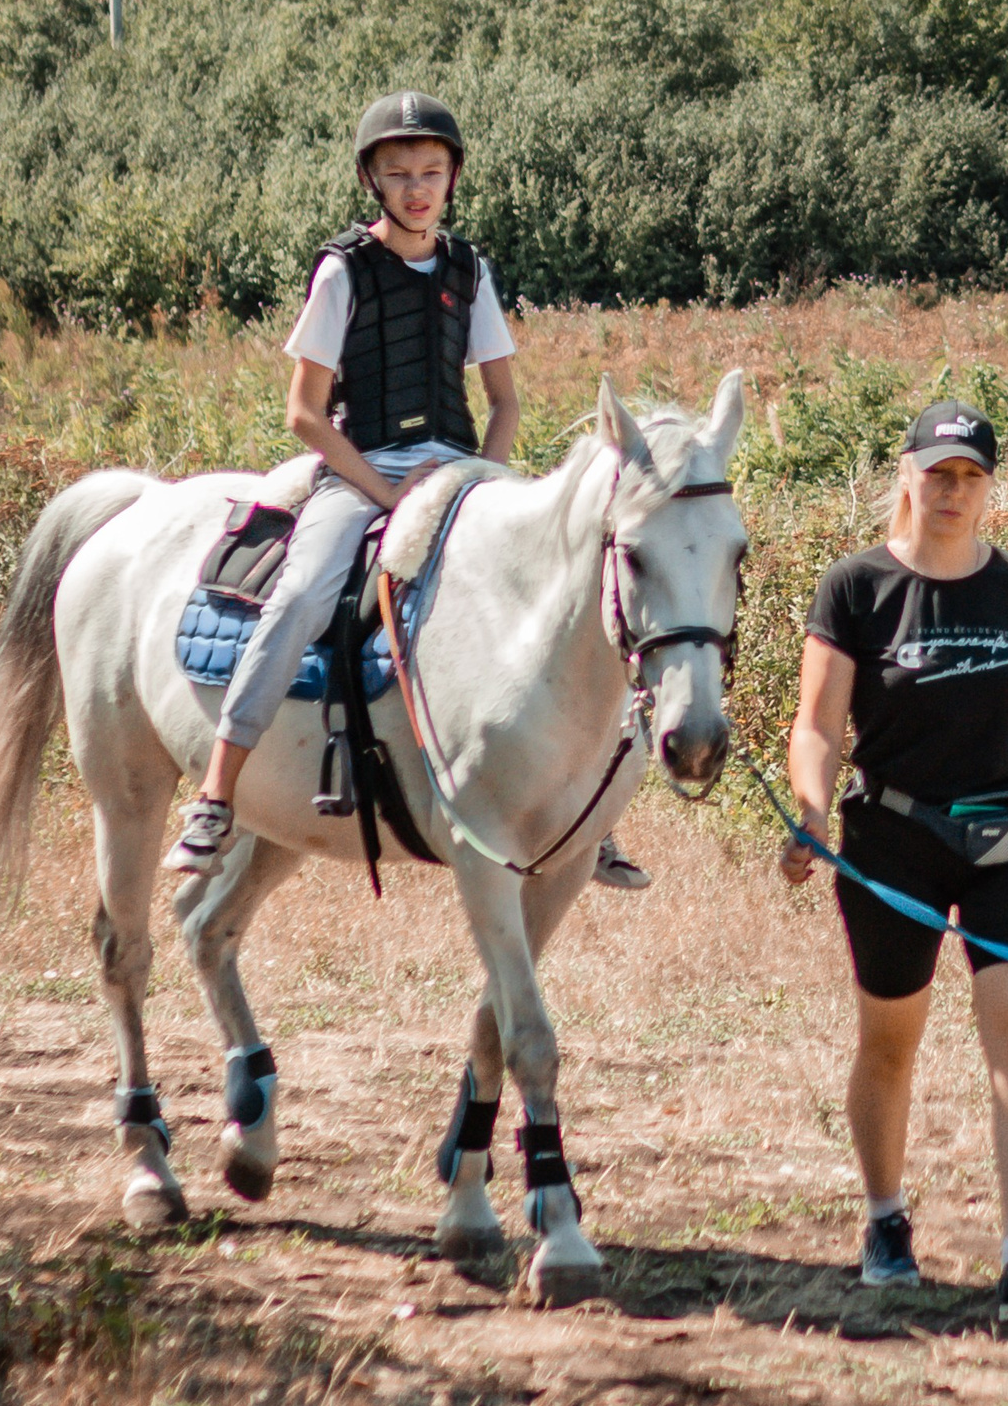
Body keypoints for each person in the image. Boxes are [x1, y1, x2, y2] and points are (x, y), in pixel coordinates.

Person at [168, 92, 651, 891]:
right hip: (362, 471)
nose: (417, 187)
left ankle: (591, 816)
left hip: (461, 469)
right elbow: (303, 413)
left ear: (453, 177)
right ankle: (217, 793)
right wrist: (388, 498)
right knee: (301, 595)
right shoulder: (342, 271)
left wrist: (490, 477)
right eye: (398, 173)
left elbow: (504, 403)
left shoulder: (470, 269)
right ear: (373, 181)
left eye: (431, 171)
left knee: (571, 582)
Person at [781, 400, 1008, 1322]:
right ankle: (885, 1220)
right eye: (939, 472)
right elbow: (817, 726)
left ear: (990, 487)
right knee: (892, 1039)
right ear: (908, 474)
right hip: (894, 843)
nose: (953, 491)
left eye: (971, 476)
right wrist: (809, 813)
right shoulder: (857, 587)